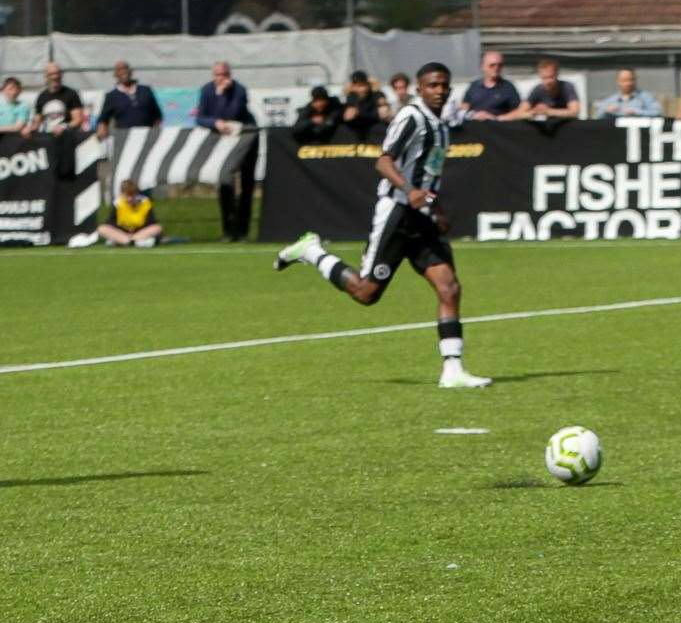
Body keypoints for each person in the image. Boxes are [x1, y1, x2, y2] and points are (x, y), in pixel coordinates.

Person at [272, 61, 491, 389]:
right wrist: (409, 190)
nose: (440, 90)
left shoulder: (442, 126)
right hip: (397, 213)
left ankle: (453, 370)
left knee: (449, 287)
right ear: (419, 89)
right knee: (365, 293)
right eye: (433, 85)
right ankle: (312, 251)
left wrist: (437, 208)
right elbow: (383, 160)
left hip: (422, 216)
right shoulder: (411, 117)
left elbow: (429, 172)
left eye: (444, 85)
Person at [194, 60, 256, 241]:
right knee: (225, 183)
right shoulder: (206, 90)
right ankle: (228, 231)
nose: (221, 79)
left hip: (245, 138)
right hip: (222, 141)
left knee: (246, 186)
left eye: (224, 75)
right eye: (218, 75)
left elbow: (233, 113)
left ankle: (243, 231)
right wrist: (214, 123)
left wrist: (221, 94)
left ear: (230, 75)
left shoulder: (239, 90)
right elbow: (200, 118)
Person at [95, 60, 161, 137]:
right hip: (123, 138)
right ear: (115, 74)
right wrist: (101, 129)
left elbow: (157, 115)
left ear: (130, 71)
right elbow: (103, 119)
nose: (123, 72)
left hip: (146, 136)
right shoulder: (111, 96)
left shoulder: (146, 91)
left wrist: (154, 133)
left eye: (125, 68)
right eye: (119, 70)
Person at [95, 177, 163, 248]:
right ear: (122, 194)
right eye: (127, 195)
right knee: (102, 228)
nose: (130, 199)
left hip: (139, 231)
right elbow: (110, 222)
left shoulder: (145, 202)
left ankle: (126, 241)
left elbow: (152, 222)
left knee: (157, 228)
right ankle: (131, 241)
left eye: (132, 195)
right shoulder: (118, 203)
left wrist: (134, 231)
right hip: (123, 231)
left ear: (136, 193)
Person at [459, 51, 522, 120]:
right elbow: (464, 107)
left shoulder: (508, 87)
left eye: (500, 65)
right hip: (474, 126)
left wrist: (496, 118)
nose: (496, 68)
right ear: (482, 66)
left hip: (497, 127)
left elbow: (518, 112)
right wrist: (472, 115)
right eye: (492, 65)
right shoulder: (474, 86)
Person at [36, 61, 87, 132]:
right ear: (46, 76)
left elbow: (78, 120)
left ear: (61, 75)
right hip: (47, 137)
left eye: (57, 73)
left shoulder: (71, 94)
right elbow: (37, 121)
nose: (55, 77)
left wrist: (64, 127)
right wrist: (30, 128)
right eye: (51, 74)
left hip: (67, 136)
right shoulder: (42, 96)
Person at [594, 69, 662, 118]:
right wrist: (607, 110)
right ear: (618, 81)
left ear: (635, 80)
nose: (628, 83)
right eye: (624, 80)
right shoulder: (612, 99)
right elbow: (598, 116)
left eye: (631, 80)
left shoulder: (645, 97)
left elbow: (658, 112)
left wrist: (637, 112)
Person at [340, 70, 387, 139]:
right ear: (353, 86)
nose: (362, 89)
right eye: (358, 86)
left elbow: (381, 110)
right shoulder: (351, 96)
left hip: (374, 126)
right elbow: (348, 115)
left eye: (363, 85)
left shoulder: (376, 95)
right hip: (356, 130)